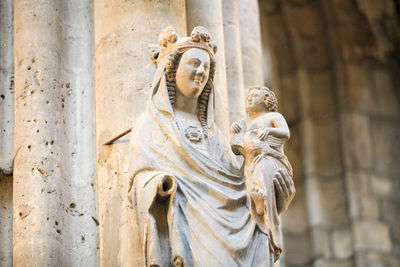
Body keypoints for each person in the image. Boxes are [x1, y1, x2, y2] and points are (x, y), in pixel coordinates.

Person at [128, 26, 295, 266]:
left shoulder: (214, 135)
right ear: (172, 71)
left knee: (258, 232)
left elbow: (236, 185)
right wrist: (159, 183)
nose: (200, 73)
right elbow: (140, 175)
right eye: (194, 64)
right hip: (187, 224)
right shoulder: (150, 125)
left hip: (229, 233)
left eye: (206, 68)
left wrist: (269, 189)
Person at [230, 86, 295, 260]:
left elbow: (285, 133)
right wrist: (235, 135)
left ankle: (268, 220)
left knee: (264, 170)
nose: (250, 98)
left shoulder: (273, 116)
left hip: (269, 159)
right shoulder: (248, 123)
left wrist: (270, 131)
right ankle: (258, 204)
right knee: (248, 184)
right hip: (249, 166)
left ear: (266, 100)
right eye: (248, 95)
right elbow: (239, 149)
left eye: (255, 95)